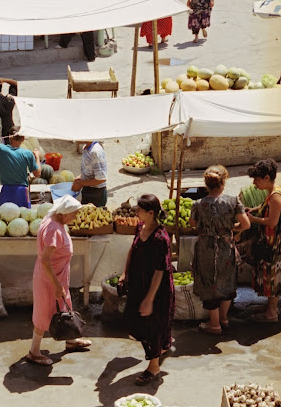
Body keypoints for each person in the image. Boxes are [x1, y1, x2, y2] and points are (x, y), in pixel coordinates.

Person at [26, 195, 91, 366]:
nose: (75, 217)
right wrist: (56, 285)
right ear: (64, 213)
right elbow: (45, 260)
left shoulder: (54, 220)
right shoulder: (54, 229)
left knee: (64, 308)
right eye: (74, 214)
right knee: (44, 314)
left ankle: (70, 340)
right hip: (49, 280)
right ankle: (34, 351)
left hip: (56, 276)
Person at [119, 194, 174, 386]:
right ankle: (163, 347)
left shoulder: (161, 238)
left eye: (140, 209)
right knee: (133, 321)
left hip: (157, 290)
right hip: (138, 284)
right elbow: (132, 250)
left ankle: (153, 367)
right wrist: (125, 273)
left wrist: (149, 299)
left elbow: (161, 271)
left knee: (152, 326)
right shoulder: (140, 227)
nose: (136, 211)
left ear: (151, 213)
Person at [189, 166, 250, 334]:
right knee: (227, 281)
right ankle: (223, 319)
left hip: (205, 250)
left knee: (209, 284)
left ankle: (214, 324)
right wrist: (230, 229)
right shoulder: (233, 202)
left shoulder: (198, 204)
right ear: (223, 182)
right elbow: (246, 225)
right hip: (226, 247)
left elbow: (192, 223)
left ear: (207, 184)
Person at [246, 159, 281, 323]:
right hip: (269, 243)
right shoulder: (271, 194)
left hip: (274, 245)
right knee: (270, 277)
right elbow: (264, 207)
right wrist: (252, 210)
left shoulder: (276, 197)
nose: (254, 183)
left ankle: (271, 313)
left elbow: (272, 221)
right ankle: (270, 307)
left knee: (273, 278)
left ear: (267, 177)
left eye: (257, 179)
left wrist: (253, 219)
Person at [0, 126, 41, 208]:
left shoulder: (1, 149)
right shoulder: (28, 154)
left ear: (9, 137)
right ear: (23, 139)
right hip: (22, 192)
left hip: (6, 190)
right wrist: (37, 156)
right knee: (24, 218)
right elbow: (37, 173)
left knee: (5, 217)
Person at [71, 141, 107, 207]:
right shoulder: (86, 147)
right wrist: (81, 177)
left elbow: (101, 179)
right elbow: (91, 169)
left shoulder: (95, 152)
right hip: (87, 190)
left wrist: (81, 183)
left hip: (97, 194)